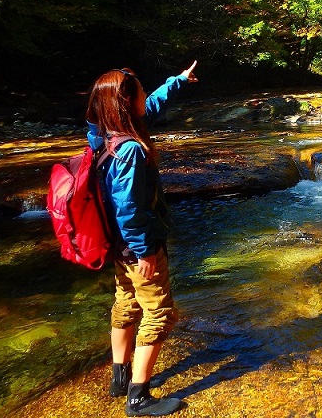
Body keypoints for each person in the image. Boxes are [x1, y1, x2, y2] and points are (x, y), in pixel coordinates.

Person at [85, 62, 197, 417]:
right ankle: (139, 397)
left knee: (126, 301)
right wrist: (145, 251)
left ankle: (119, 379)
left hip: (117, 246)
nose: (145, 96)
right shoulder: (130, 149)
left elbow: (149, 108)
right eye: (140, 92)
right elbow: (129, 208)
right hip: (136, 247)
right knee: (159, 312)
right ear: (125, 102)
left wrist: (177, 82)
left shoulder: (102, 134)